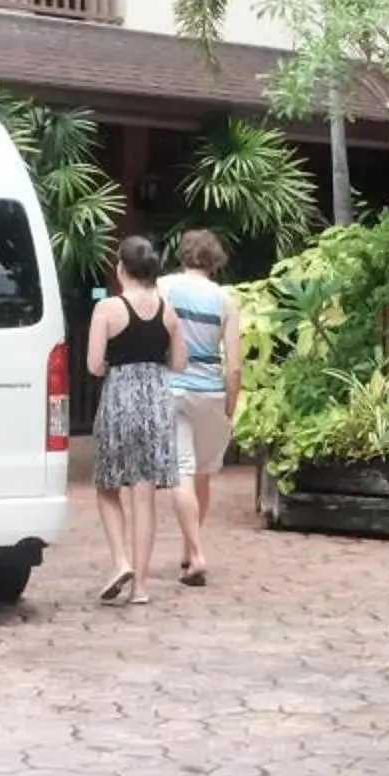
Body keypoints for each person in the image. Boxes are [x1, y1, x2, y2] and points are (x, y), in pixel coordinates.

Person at [86, 234, 184, 604]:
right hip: (156, 399)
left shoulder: (107, 309)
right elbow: (179, 363)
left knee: (108, 485)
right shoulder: (167, 310)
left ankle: (120, 561)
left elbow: (94, 365)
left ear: (121, 269)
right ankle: (141, 587)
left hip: (121, 397)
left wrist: (115, 364)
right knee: (145, 494)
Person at [160, 230, 242, 586]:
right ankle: (189, 547)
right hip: (211, 392)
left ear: (184, 254)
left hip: (174, 386)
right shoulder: (226, 300)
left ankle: (196, 556)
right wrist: (231, 405)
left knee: (181, 470)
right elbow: (235, 365)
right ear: (214, 259)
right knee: (203, 474)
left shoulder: (164, 288)